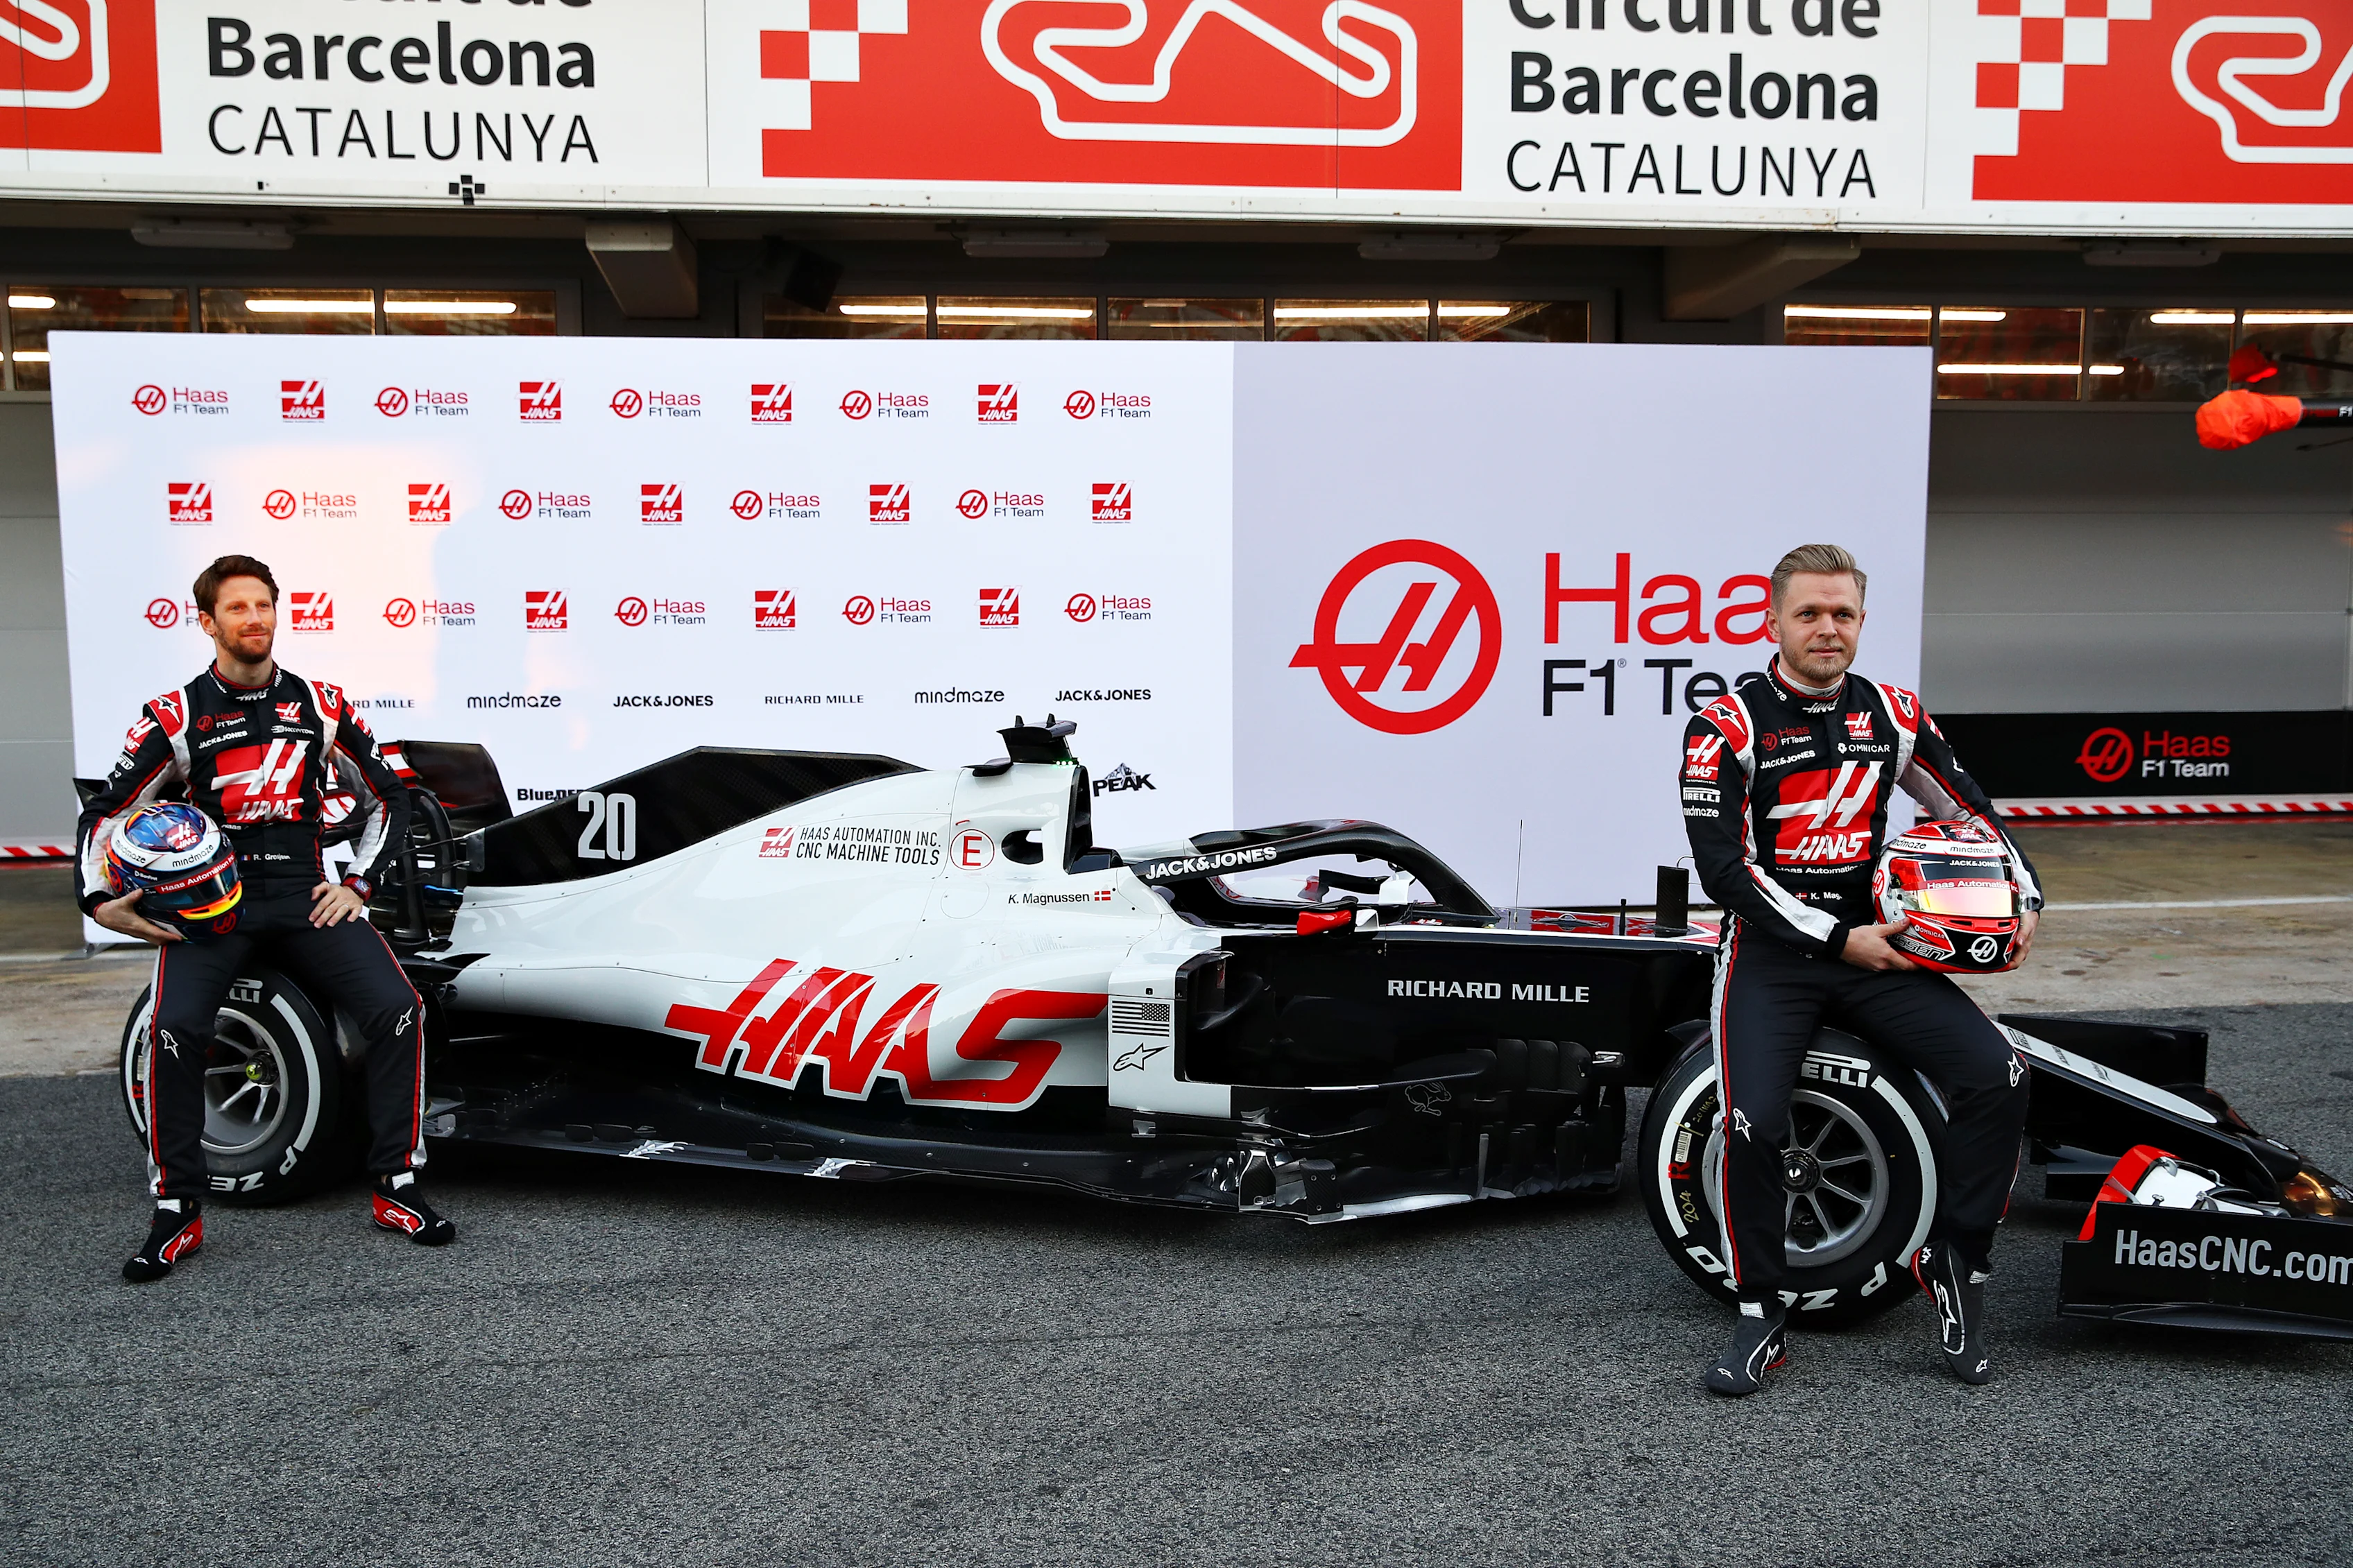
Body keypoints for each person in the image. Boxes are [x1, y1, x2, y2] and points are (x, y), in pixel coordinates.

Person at [1679, 543, 2039, 1394]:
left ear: (1860, 622)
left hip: (1876, 943)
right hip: (1771, 954)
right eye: (1808, 613)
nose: (1826, 628)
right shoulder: (1725, 724)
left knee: (1999, 1074)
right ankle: (1759, 1310)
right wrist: (1839, 940)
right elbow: (1723, 873)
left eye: (1841, 613)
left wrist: (2021, 897)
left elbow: (1969, 813)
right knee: (1751, 1123)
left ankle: (1955, 1264)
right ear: (1770, 621)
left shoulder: (1892, 710)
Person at [77, 555, 456, 1282]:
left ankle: (397, 1187)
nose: (254, 620)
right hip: (208, 906)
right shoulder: (175, 714)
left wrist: (362, 883)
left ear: (278, 612)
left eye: (263, 606)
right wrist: (100, 902)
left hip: (304, 892)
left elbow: (390, 797)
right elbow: (106, 812)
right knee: (176, 1028)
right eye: (237, 609)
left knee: (398, 1008)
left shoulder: (321, 702)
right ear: (208, 622)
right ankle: (176, 1209)